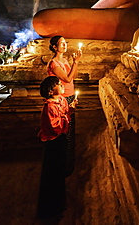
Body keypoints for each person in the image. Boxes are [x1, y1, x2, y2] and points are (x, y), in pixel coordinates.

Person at [37, 75, 78, 220]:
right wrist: (67, 117)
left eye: (61, 83)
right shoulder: (49, 107)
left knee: (59, 172)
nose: (62, 86)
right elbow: (55, 127)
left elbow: (65, 114)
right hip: (52, 143)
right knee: (51, 175)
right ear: (49, 91)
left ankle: (60, 203)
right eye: (59, 84)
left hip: (60, 140)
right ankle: (50, 209)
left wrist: (70, 110)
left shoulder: (61, 100)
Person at [47, 35, 82, 177]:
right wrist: (75, 63)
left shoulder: (65, 60)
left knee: (70, 130)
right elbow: (67, 78)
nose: (65, 45)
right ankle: (61, 165)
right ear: (55, 47)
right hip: (61, 98)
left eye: (65, 43)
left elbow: (74, 76)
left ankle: (69, 163)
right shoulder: (54, 63)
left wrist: (75, 63)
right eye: (61, 43)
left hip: (70, 96)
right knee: (63, 130)